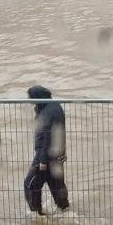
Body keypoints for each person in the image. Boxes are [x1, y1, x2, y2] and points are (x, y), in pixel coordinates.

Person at [24, 85, 69, 215]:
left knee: (30, 184)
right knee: (56, 185)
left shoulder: (48, 112)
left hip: (46, 156)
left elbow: (48, 137)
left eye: (31, 98)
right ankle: (64, 210)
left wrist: (43, 161)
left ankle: (36, 214)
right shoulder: (53, 106)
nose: (30, 101)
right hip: (57, 154)